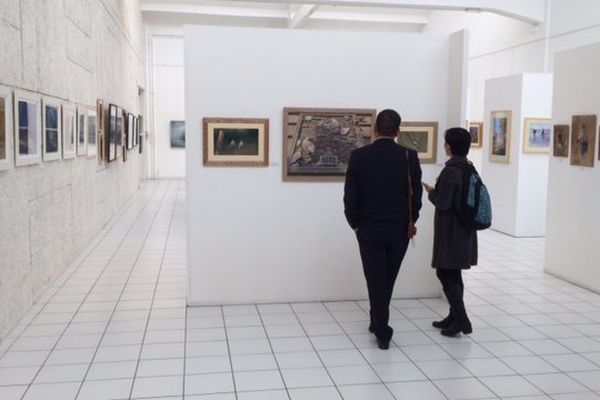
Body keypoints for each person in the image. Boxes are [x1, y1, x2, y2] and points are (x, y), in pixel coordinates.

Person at [344, 109, 423, 350]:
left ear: (375, 129)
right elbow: (417, 196)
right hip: (399, 229)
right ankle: (379, 323)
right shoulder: (409, 156)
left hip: (368, 228)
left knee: (375, 277)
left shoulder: (359, 156)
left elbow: (350, 196)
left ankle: (381, 327)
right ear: (398, 131)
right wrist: (411, 220)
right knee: (388, 277)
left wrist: (355, 224)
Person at [422, 127, 477, 337]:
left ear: (450, 146)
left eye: (445, 142)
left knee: (445, 272)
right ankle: (454, 317)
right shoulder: (468, 167)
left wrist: (431, 192)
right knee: (454, 274)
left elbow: (443, 203)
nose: (444, 145)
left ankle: (462, 320)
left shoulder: (452, 170)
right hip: (464, 229)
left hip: (452, 231)